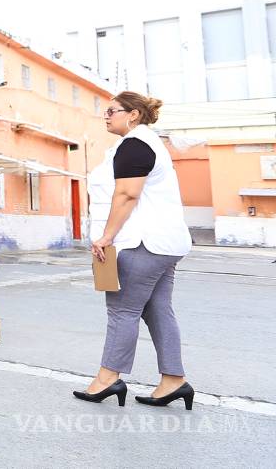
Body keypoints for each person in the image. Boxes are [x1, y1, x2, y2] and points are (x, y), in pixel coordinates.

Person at [73, 92, 194, 409]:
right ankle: (173, 381)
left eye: (112, 110)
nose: (106, 115)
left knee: (122, 311)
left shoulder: (135, 145)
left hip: (141, 243)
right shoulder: (143, 143)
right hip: (162, 243)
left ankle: (107, 379)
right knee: (158, 310)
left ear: (134, 114)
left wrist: (105, 237)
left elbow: (127, 194)